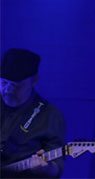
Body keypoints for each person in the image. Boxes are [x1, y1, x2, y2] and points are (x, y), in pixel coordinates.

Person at [1, 48, 65, 178]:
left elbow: (56, 169)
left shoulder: (50, 115)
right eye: (4, 82)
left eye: (16, 85)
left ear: (34, 80)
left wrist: (45, 168)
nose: (7, 90)